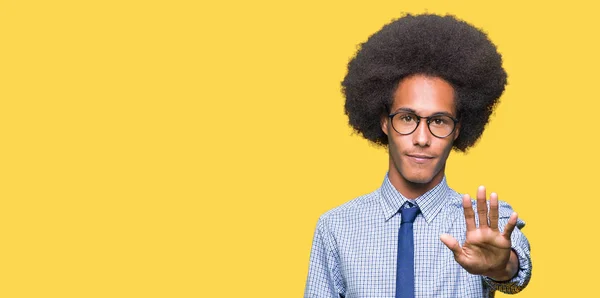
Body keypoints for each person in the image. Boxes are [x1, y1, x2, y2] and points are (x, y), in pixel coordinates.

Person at [303, 13, 532, 298]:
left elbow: (515, 273)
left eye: (438, 121)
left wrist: (500, 268)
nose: (422, 139)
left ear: (458, 130)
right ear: (385, 122)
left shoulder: (486, 223)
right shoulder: (335, 227)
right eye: (408, 118)